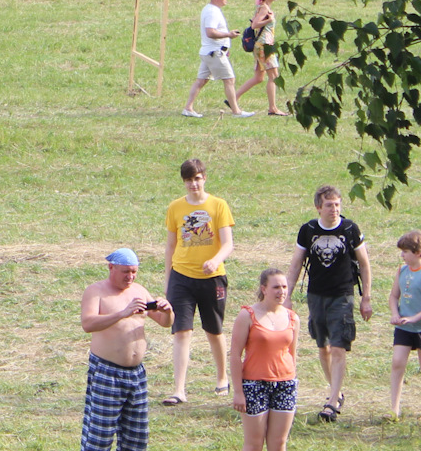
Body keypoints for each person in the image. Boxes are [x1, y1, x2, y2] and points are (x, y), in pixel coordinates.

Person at [283, 185, 372, 423]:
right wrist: (287, 296)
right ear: (318, 207)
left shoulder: (350, 229)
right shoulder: (308, 230)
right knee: (323, 346)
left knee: (339, 345)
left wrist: (366, 298)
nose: (334, 209)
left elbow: (364, 264)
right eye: (329, 205)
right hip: (316, 295)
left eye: (337, 205)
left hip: (342, 295)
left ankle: (332, 402)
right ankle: (336, 390)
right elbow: (296, 264)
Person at [80, 247, 174, 451]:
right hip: (107, 372)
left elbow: (165, 323)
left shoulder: (139, 291)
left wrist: (168, 311)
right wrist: (123, 313)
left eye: (134, 272)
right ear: (111, 267)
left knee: (136, 438)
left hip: (136, 375)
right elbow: (88, 324)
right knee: (100, 436)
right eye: (126, 272)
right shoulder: (96, 291)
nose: (130, 277)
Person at [163, 158, 236, 405]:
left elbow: (228, 243)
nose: (193, 184)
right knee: (181, 331)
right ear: (183, 182)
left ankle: (222, 378)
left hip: (212, 278)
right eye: (188, 180)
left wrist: (215, 261)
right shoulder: (175, 207)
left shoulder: (218, 205)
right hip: (181, 276)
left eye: (197, 178)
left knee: (213, 330)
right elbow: (171, 245)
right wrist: (168, 279)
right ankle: (179, 389)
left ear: (204, 177)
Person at [228, 267, 301, 451]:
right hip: (254, 384)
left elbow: (292, 353)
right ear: (264, 289)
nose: (282, 291)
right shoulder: (247, 315)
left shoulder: (292, 318)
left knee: (279, 443)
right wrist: (238, 391)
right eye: (276, 287)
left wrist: (291, 379)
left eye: (284, 287)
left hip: (285, 384)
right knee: (254, 444)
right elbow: (235, 355)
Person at [384, 230, 421, 421]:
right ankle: (394, 408)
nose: (402, 255)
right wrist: (395, 314)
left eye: (405, 251)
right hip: (403, 326)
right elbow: (394, 296)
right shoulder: (401, 270)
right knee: (397, 362)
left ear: (418, 252)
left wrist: (416, 318)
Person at [182, 0, 255, 118]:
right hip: (214, 53)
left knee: (201, 81)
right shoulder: (212, 12)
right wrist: (229, 35)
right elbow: (210, 32)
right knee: (229, 80)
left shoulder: (209, 9)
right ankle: (236, 111)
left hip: (209, 52)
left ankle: (188, 108)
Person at [232, 0, 283, 116]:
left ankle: (233, 98)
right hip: (264, 45)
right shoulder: (264, 8)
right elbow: (255, 25)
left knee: (259, 77)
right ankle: (273, 108)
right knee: (274, 76)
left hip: (260, 45)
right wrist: (268, 20)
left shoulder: (262, 7)